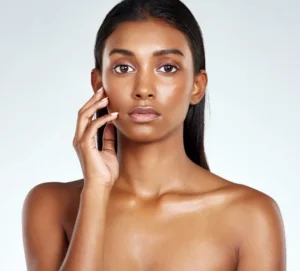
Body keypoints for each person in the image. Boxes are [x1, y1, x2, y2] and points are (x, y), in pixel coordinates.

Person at [22, 0, 286, 270]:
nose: (144, 89)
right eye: (124, 68)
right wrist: (96, 192)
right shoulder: (50, 205)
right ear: (99, 84)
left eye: (167, 67)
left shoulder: (252, 215)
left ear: (197, 86)